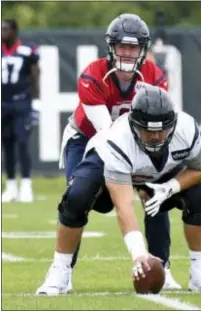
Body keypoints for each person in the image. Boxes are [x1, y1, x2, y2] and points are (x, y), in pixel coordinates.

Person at [36, 85, 201, 295]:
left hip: (159, 174)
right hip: (103, 164)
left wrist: (170, 187)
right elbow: (124, 205)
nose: (155, 136)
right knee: (77, 196)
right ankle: (60, 270)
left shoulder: (186, 128)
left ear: (173, 124)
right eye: (148, 130)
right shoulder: (117, 139)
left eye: (161, 130)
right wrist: (138, 253)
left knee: (198, 196)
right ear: (134, 125)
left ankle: (200, 272)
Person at [58, 13, 180, 290]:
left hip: (138, 143)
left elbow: (154, 121)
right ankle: (62, 272)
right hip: (89, 139)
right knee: (76, 199)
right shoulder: (92, 74)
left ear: (143, 49)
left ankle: (163, 266)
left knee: (155, 195)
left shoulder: (154, 75)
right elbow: (107, 133)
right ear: (111, 47)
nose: (127, 52)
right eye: (122, 46)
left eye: (133, 46)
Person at [1, 19, 40, 203]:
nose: (2, 32)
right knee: (6, 145)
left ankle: (25, 185)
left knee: (22, 143)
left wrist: (36, 103)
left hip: (22, 103)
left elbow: (35, 76)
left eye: (5, 29)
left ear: (14, 30)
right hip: (3, 104)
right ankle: (10, 186)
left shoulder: (27, 50)